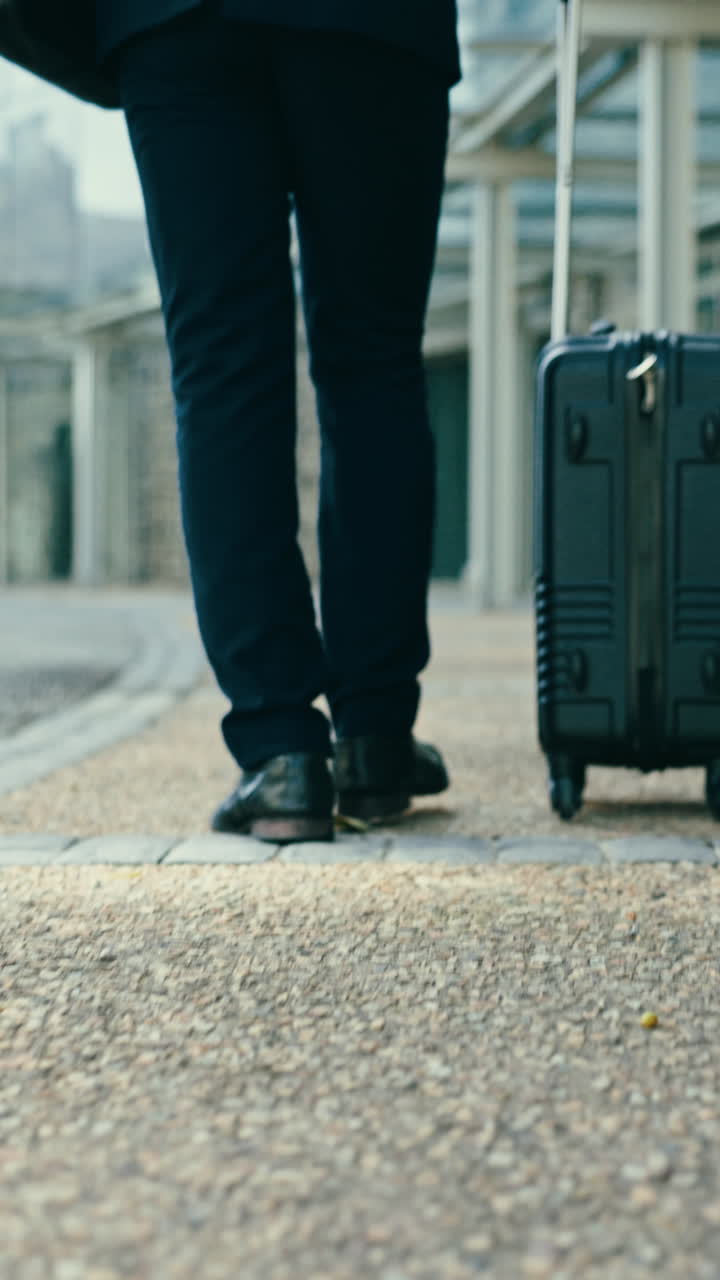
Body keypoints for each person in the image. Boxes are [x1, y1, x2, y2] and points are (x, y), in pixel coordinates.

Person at [96, 0, 460, 842]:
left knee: (221, 370)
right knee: (374, 360)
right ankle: (374, 735)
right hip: (372, 26)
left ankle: (280, 747)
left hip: (175, 19)